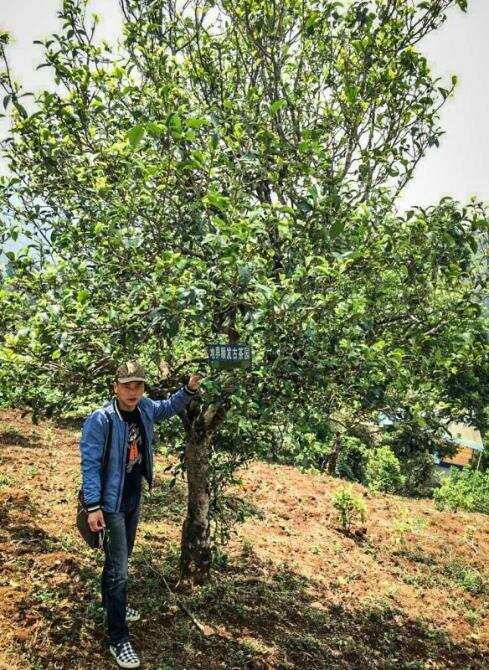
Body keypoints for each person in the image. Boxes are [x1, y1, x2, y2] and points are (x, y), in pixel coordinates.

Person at [78, 359, 203, 669]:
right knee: (119, 568)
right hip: (111, 503)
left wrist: (189, 389)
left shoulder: (145, 408)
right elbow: (90, 464)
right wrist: (94, 506)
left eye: (138, 386)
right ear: (115, 387)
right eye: (127, 386)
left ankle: (112, 606)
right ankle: (118, 637)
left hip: (133, 496)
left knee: (120, 558)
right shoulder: (102, 419)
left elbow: (168, 407)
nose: (133, 392)